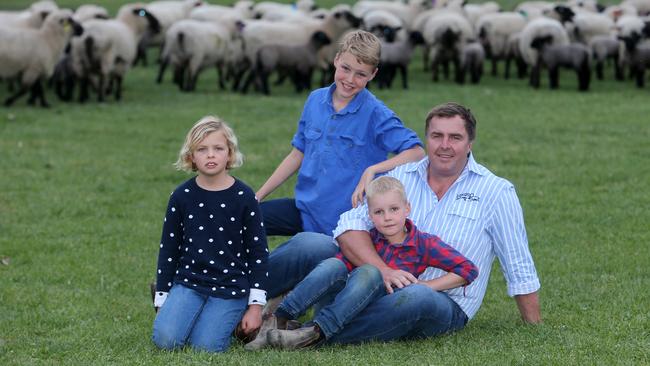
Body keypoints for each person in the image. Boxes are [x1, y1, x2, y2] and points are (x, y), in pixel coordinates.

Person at [254, 102, 541, 347]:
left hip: (439, 300)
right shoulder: (400, 176)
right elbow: (349, 224)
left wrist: (534, 326)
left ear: (470, 143)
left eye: (455, 137)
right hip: (368, 284)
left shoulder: (496, 192)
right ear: (425, 138)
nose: (444, 145)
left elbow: (517, 262)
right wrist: (384, 271)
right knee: (312, 242)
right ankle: (238, 301)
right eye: (436, 136)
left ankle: (307, 333)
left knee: (415, 297)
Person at [258, 176, 478, 349]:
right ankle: (279, 318)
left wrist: (426, 286)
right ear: (370, 216)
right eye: (379, 212)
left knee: (370, 272)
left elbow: (467, 270)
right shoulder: (368, 241)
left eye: (394, 209)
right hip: (347, 302)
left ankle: (314, 332)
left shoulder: (424, 244)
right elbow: (338, 269)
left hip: (377, 311)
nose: (388, 217)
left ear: (407, 208)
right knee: (335, 265)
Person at [255, 30, 425, 237]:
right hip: (306, 209)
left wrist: (372, 169)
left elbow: (416, 152)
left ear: (373, 75)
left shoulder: (376, 113)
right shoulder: (315, 100)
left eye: (361, 74)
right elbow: (298, 153)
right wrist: (258, 195)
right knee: (244, 219)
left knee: (304, 251)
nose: (350, 79)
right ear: (336, 60)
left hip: (344, 223)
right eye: (346, 68)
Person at [151, 116, 269, 353]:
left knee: (205, 347)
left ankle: (225, 319)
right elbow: (169, 249)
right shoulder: (181, 196)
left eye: (218, 148)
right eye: (202, 149)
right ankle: (183, 309)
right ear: (191, 157)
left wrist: (255, 306)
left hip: (231, 286)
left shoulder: (245, 197)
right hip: (189, 282)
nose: (211, 155)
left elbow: (258, 253)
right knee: (165, 340)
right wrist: (163, 300)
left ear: (230, 153)